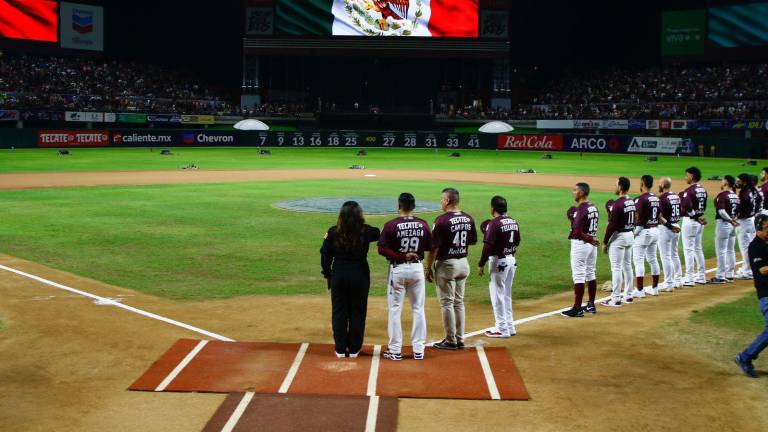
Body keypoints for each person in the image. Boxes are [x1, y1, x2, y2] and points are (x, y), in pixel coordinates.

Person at [320, 201, 381, 358]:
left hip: (339, 275)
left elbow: (325, 255)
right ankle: (354, 349)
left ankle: (340, 348)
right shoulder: (365, 231)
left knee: (339, 312)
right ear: (359, 216)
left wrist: (327, 274)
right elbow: (378, 232)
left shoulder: (333, 232)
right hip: (360, 275)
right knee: (358, 312)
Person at [377, 193, 431, 361]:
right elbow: (430, 245)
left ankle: (394, 350)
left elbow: (382, 249)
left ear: (398, 206)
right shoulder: (423, 224)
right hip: (417, 269)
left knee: (395, 310)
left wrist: (401, 256)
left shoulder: (391, 225)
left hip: (398, 270)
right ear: (414, 207)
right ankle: (419, 350)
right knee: (418, 309)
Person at [425, 187, 477, 350]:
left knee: (447, 303)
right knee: (459, 302)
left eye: (442, 199)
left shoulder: (441, 220)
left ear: (447, 201)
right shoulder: (468, 218)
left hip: (447, 265)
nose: (441, 201)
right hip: (463, 263)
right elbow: (472, 241)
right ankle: (460, 338)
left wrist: (428, 267)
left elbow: (434, 247)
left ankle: (450, 340)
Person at [477, 196, 521, 337]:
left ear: (493, 208)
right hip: (511, 259)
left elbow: (487, 246)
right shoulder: (513, 221)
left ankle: (502, 328)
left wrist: (481, 263)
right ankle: (509, 326)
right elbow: (517, 241)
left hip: (499, 261)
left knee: (497, 296)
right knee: (506, 295)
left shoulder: (494, 223)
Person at [734, 214, 768, 378]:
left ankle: (745, 357)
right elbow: (763, 270)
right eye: (767, 228)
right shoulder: (755, 246)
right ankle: (745, 357)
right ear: (758, 228)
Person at [562, 183, 600, 318]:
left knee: (579, 275)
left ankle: (577, 308)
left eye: (575, 190)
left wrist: (587, 238)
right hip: (591, 244)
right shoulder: (593, 207)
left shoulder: (582, 209)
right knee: (590, 273)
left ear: (582, 193)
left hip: (582, 244)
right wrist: (591, 239)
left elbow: (577, 231)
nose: (573, 192)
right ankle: (591, 304)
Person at [601, 177, 636, 307]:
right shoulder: (631, 201)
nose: (614, 186)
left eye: (616, 185)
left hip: (620, 237)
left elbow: (612, 225)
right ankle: (629, 295)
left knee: (616, 268)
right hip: (630, 235)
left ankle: (615, 298)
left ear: (620, 187)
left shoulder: (618, 203)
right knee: (627, 266)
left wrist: (605, 242)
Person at [632, 175, 662, 297]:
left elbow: (638, 217)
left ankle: (639, 290)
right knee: (653, 258)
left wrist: (634, 232)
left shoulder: (641, 199)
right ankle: (655, 288)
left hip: (644, 231)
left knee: (638, 260)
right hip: (655, 230)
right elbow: (659, 216)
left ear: (642, 183)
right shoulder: (656, 198)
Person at [681, 167, 708, 286]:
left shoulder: (689, 190)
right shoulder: (703, 189)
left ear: (692, 176)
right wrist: (699, 217)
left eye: (687, 175)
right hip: (700, 222)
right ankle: (701, 276)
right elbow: (704, 206)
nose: (686, 177)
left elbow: (687, 205)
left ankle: (689, 278)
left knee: (689, 250)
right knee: (698, 248)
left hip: (691, 222)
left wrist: (695, 216)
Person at [710, 176, 740, 284]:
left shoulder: (722, 195)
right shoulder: (735, 196)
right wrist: (734, 220)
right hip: (732, 225)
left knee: (721, 251)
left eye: (723, 180)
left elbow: (722, 212)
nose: (721, 182)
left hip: (724, 224)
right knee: (730, 250)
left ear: (726, 182)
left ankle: (720, 276)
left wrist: (730, 220)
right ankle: (730, 274)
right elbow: (738, 212)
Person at [658, 177, 683, 292]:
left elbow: (660, 217)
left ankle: (668, 283)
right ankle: (678, 280)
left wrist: (670, 226)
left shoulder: (662, 198)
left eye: (659, 183)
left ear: (663, 185)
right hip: (676, 226)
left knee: (666, 256)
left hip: (667, 229)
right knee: (674, 254)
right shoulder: (676, 196)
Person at [735, 173, 759, 280]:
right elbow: (758, 201)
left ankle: (747, 270)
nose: (737, 182)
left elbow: (741, 208)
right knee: (750, 246)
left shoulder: (744, 194)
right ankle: (747, 268)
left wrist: (736, 217)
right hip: (752, 220)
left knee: (745, 247)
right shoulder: (752, 190)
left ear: (744, 182)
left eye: (739, 181)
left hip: (744, 222)